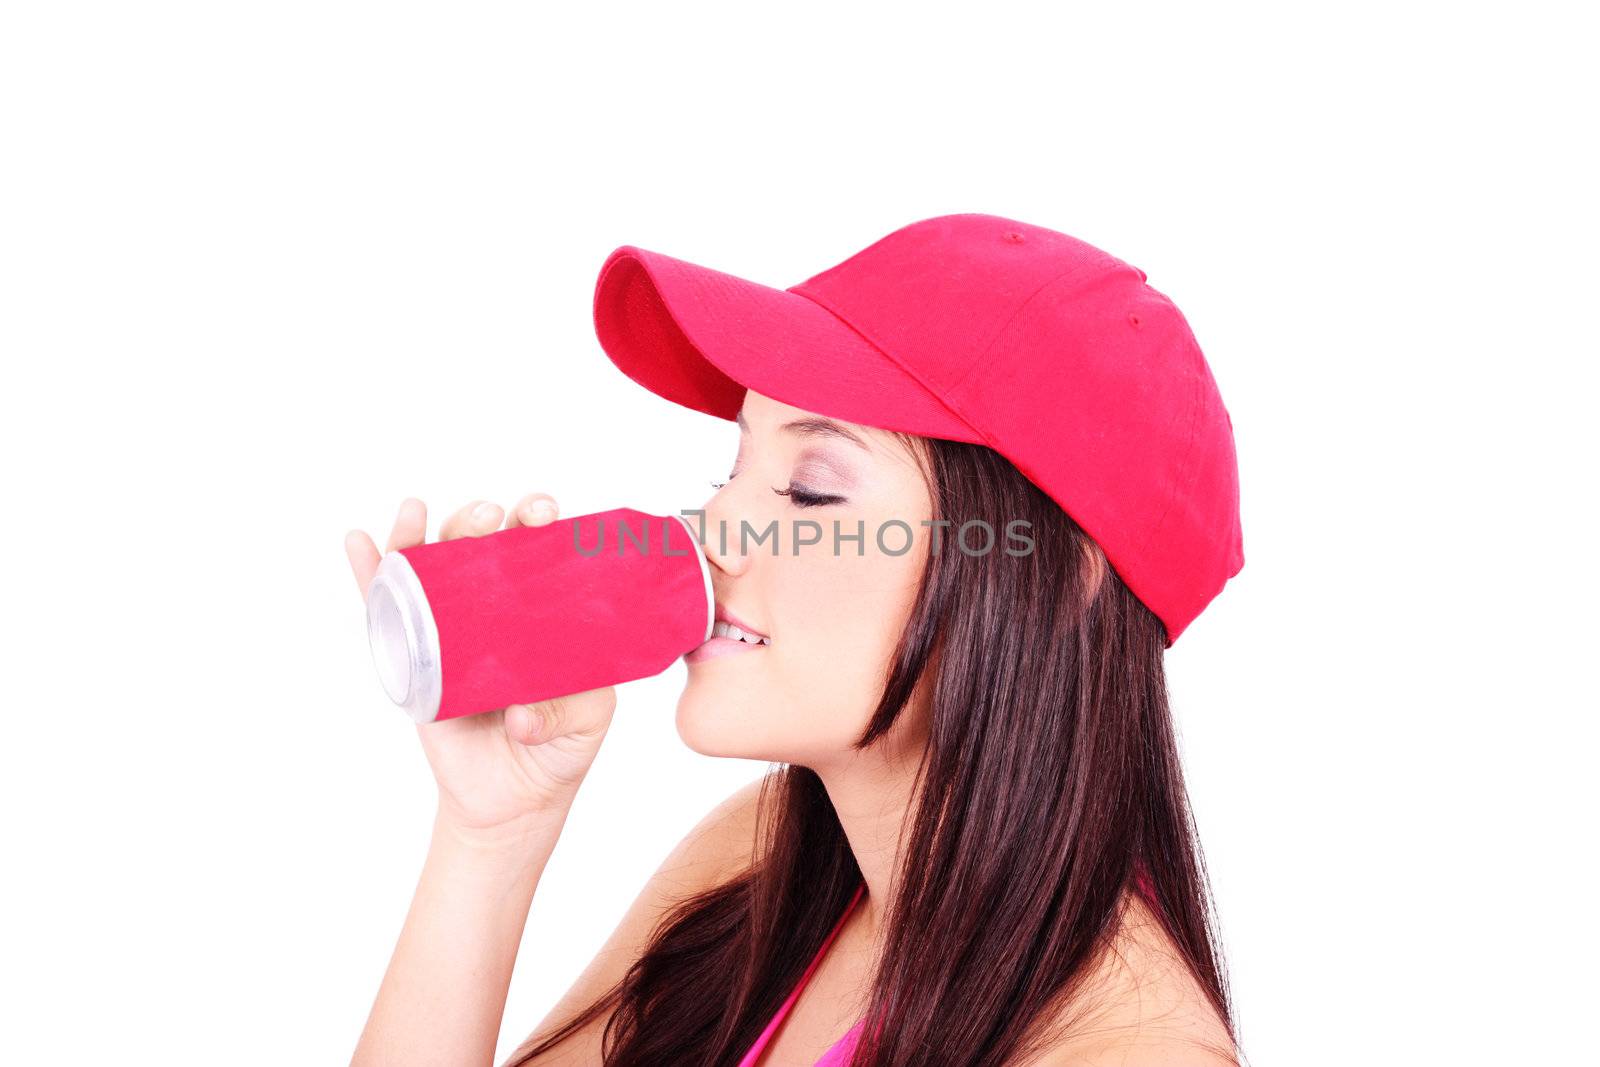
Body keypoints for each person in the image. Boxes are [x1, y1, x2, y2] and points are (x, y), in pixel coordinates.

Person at [345, 214, 1246, 1066]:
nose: (717, 526)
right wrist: (490, 836)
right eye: (736, 466)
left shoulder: (1124, 1046)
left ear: (1057, 582)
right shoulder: (763, 860)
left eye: (811, 488)